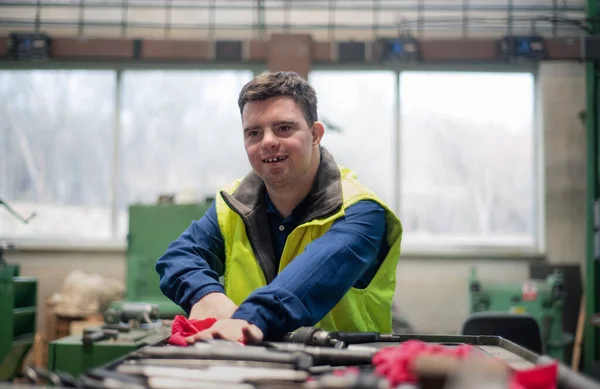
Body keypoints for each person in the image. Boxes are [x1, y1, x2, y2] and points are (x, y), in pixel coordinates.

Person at [156, 71, 403, 344]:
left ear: (315, 134)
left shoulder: (360, 212)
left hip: (344, 371)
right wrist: (204, 293)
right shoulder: (233, 205)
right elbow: (178, 257)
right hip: (244, 366)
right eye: (254, 132)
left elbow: (314, 276)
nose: (268, 141)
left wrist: (249, 319)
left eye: (284, 128)